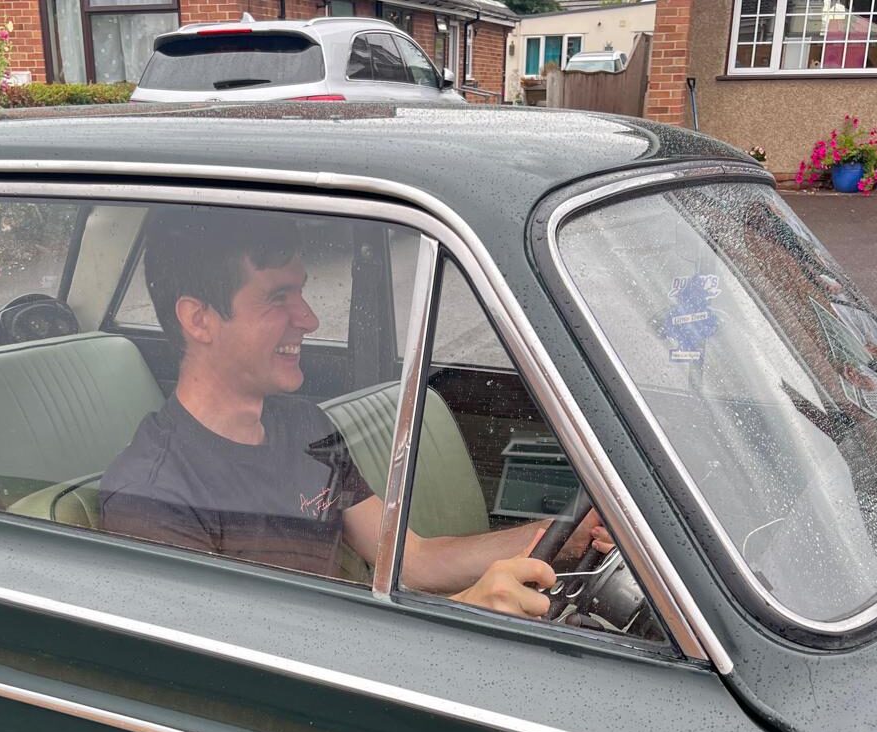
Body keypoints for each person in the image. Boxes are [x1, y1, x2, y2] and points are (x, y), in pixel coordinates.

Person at [101, 207, 612, 618]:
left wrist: (565, 536)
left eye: (301, 291)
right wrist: (468, 610)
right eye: (278, 297)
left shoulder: (303, 425)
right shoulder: (153, 498)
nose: (309, 318)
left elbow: (411, 560)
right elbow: (251, 670)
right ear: (199, 319)